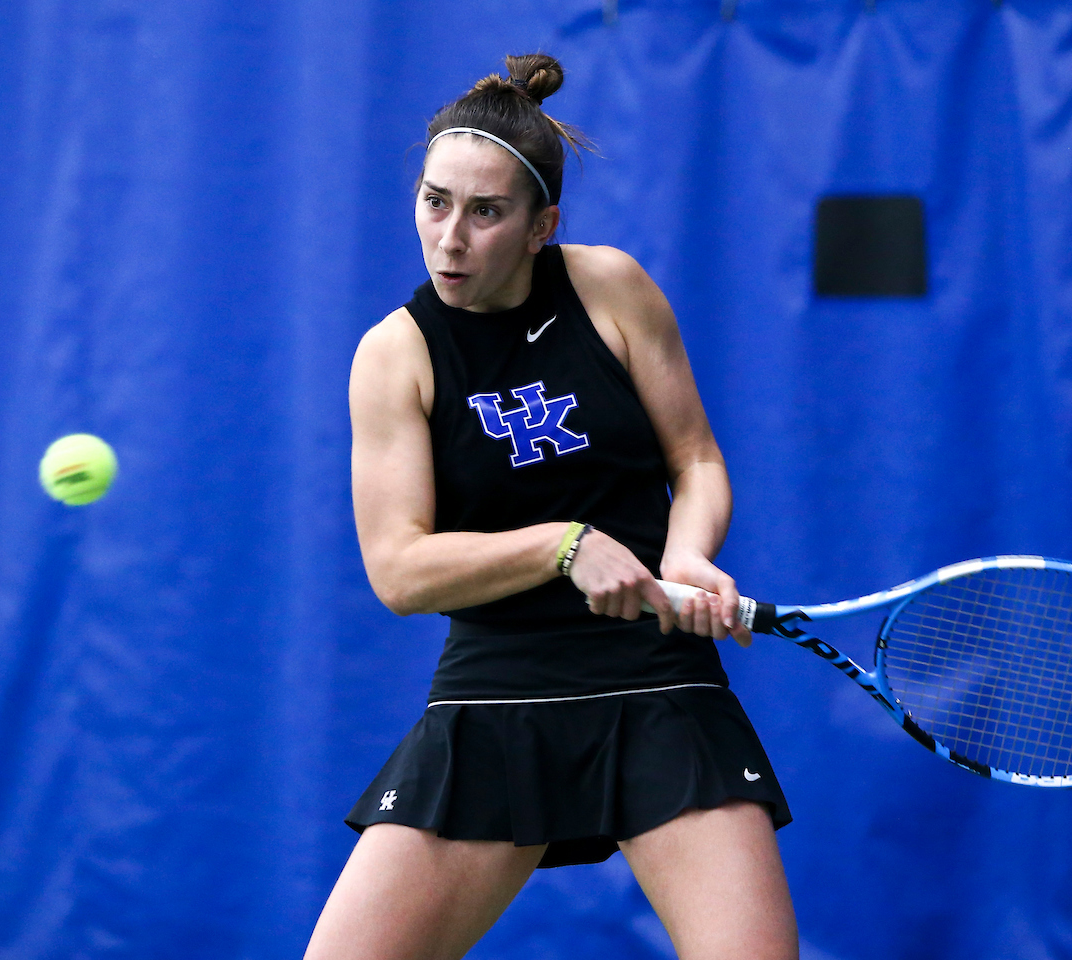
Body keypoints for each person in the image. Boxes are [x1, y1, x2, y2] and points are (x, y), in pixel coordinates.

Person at [304, 53, 799, 960]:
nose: (449, 237)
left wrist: (686, 556)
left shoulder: (611, 287)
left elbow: (695, 459)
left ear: (543, 226)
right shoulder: (395, 356)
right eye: (434, 200)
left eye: (486, 212)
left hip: (660, 683)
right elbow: (399, 570)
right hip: (497, 690)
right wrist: (564, 546)